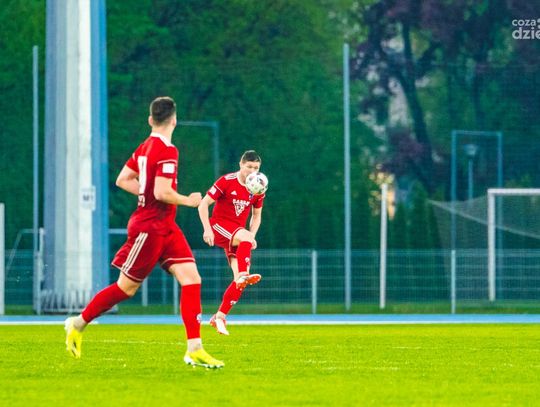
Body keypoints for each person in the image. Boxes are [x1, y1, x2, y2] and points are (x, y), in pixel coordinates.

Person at [64, 96, 224, 368]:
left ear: (151, 119)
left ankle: (194, 348)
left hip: (165, 226)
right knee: (126, 288)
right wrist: (188, 200)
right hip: (149, 227)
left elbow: (122, 179)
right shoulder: (167, 150)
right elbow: (161, 192)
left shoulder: (144, 147)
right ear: (174, 120)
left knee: (191, 278)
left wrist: (147, 191)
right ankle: (77, 323)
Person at [198, 150, 265, 335]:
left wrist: (251, 235)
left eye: (256, 168)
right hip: (219, 226)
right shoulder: (226, 181)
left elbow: (257, 216)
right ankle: (244, 273)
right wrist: (207, 229)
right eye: (249, 167)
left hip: (238, 234)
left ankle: (219, 317)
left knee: (239, 282)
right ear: (241, 164)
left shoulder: (258, 187)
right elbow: (203, 204)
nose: (253, 171)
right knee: (244, 268)